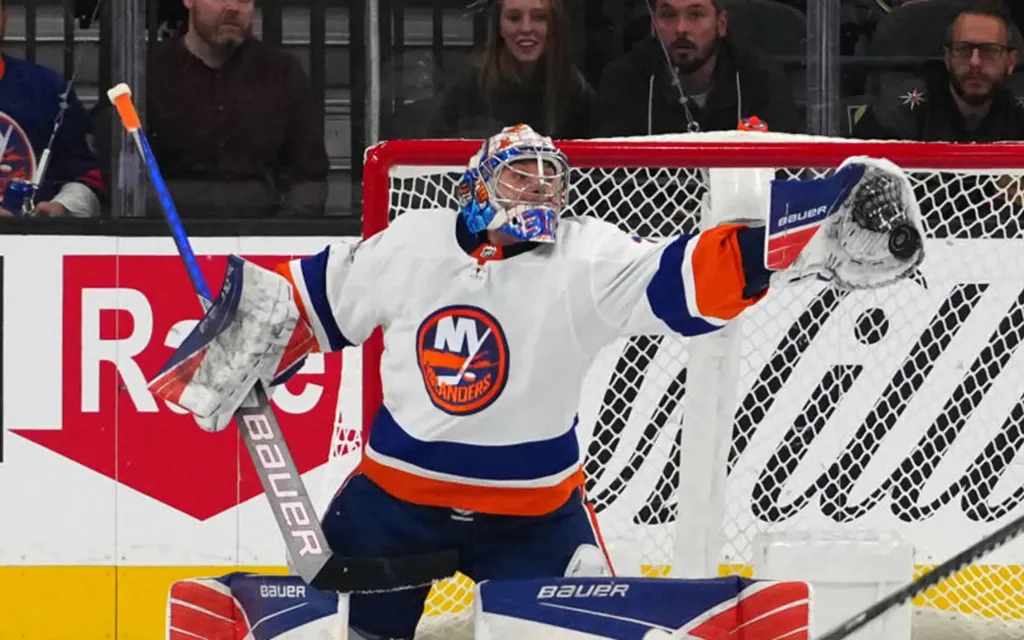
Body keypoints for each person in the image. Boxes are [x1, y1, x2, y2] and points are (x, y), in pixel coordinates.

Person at [147, 124, 923, 639]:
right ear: (478, 188)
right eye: (522, 177)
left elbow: (682, 281)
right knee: (343, 634)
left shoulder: (586, 259)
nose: (542, 191)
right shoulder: (410, 245)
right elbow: (308, 306)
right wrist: (235, 342)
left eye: (552, 178)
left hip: (533, 517)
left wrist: (786, 238)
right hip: (393, 507)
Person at [92, 0, 329, 217]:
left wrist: (283, 234)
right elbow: (119, 172)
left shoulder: (281, 73)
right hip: (165, 232)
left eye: (244, 0)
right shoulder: (145, 75)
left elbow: (309, 174)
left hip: (263, 231)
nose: (233, 8)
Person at [591, 0, 801, 136]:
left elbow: (785, 173)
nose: (681, 29)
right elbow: (606, 178)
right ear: (653, 25)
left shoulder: (760, 77)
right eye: (668, 15)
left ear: (721, 24)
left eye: (695, 15)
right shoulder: (623, 80)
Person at [853, 0, 1024, 141]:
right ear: (948, 58)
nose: (975, 62)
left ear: (1011, 61)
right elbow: (854, 166)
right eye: (963, 49)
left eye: (989, 51)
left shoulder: (1018, 111)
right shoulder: (901, 113)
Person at [426, 0, 593, 139]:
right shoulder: (468, 88)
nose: (526, 28)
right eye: (514, 18)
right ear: (499, 26)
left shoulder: (576, 93)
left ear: (555, 25)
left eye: (539, 17)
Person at [0, 0, 104, 217]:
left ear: (4, 15)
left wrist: (63, 207)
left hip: (35, 237)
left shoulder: (47, 88)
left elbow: (88, 178)